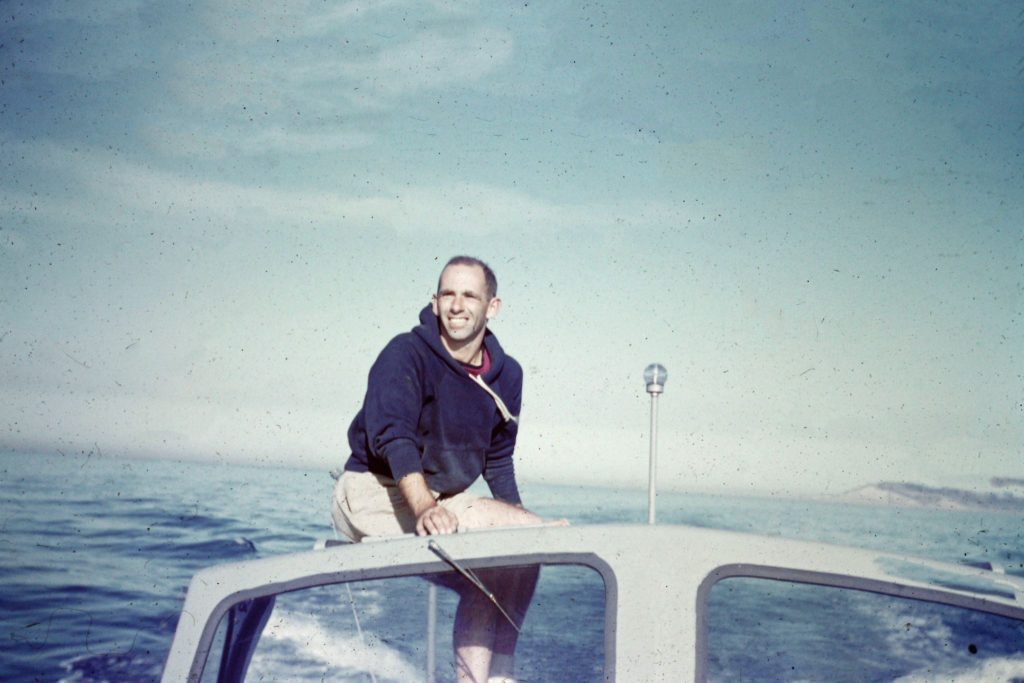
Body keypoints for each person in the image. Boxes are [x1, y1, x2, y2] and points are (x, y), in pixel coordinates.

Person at [332, 255, 559, 683]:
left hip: (438, 496)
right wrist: (424, 509)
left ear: (492, 307)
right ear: (434, 302)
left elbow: (497, 457)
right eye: (448, 294)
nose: (457, 305)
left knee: (520, 559)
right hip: (374, 489)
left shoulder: (508, 376)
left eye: (469, 295)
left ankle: (498, 677)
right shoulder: (406, 353)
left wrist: (522, 523)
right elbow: (394, 436)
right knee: (522, 537)